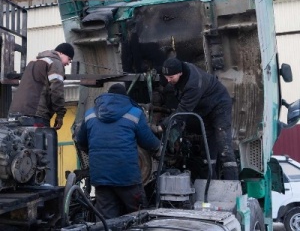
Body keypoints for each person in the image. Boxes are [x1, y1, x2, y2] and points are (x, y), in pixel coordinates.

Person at [76, 83, 161, 219]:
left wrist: (93, 152)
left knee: (105, 221)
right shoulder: (135, 113)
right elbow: (148, 141)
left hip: (101, 177)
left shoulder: (90, 114)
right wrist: (159, 147)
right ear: (124, 97)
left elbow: (80, 141)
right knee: (138, 217)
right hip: (127, 177)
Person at [158, 57, 238, 180]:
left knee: (223, 144)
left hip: (220, 105)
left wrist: (163, 126)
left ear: (180, 73)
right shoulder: (181, 70)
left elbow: (183, 111)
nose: (168, 80)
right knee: (207, 145)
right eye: (166, 77)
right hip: (205, 108)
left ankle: (232, 184)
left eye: (171, 77)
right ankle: (210, 183)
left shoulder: (193, 84)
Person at [9, 42, 74, 130]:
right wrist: (60, 114)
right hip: (35, 114)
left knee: (18, 142)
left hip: (15, 112)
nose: (69, 63)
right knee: (40, 142)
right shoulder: (56, 63)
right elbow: (56, 90)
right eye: (69, 59)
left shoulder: (33, 62)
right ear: (61, 53)